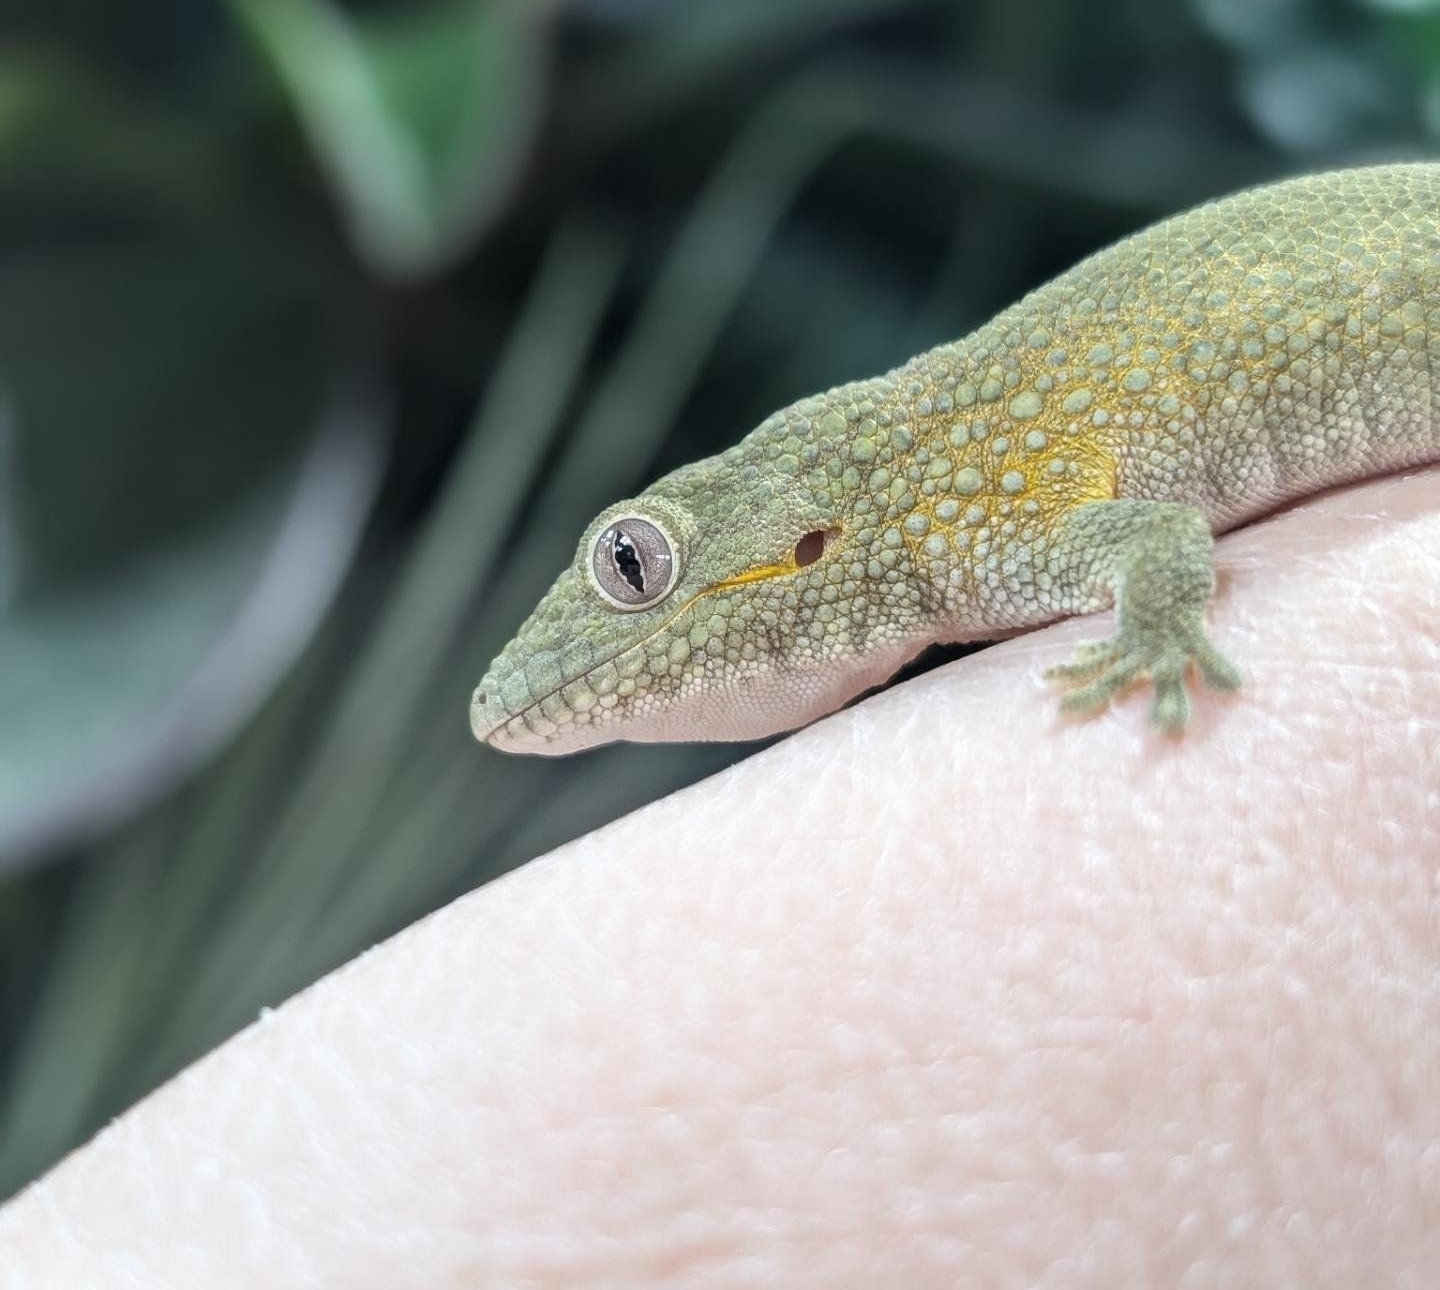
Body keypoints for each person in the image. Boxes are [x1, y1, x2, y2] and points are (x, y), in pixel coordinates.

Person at [2, 470, 1437, 1287]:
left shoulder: (966, 516)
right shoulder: (939, 532)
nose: (619, 604)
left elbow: (1153, 541)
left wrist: (1156, 641)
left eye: (635, 566)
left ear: (806, 527)